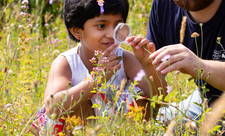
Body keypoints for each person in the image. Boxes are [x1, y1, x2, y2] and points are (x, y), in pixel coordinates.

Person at [30, 0, 166, 135]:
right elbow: (52, 108)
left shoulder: (126, 59)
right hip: (80, 129)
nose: (111, 34)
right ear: (77, 31)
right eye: (101, 26)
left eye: (118, 26)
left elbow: (159, 100)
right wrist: (96, 80)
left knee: (141, 100)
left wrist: (148, 65)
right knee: (78, 105)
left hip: (118, 128)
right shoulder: (66, 62)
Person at [139, 0, 225, 125]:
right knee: (153, 124)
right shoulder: (164, 5)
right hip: (204, 103)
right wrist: (148, 65)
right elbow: (154, 90)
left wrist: (200, 66)